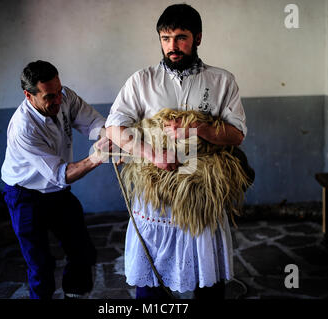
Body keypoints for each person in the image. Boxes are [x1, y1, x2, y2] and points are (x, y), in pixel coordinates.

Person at [105, 4, 247, 299]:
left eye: (181, 38)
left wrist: (199, 130)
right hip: (157, 191)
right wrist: (152, 154)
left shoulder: (222, 81)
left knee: (208, 283)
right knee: (151, 287)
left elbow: (237, 134)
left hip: (201, 193)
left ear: (198, 38)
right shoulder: (141, 80)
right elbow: (114, 127)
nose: (172, 46)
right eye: (165, 38)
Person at [1, 60, 109, 299]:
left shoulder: (64, 96)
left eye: (59, 92)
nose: (58, 100)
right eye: (49, 97)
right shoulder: (23, 128)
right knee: (40, 266)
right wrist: (98, 157)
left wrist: (113, 139)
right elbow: (62, 173)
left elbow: (94, 124)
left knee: (82, 252)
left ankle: (75, 295)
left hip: (57, 193)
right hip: (25, 195)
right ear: (29, 96)